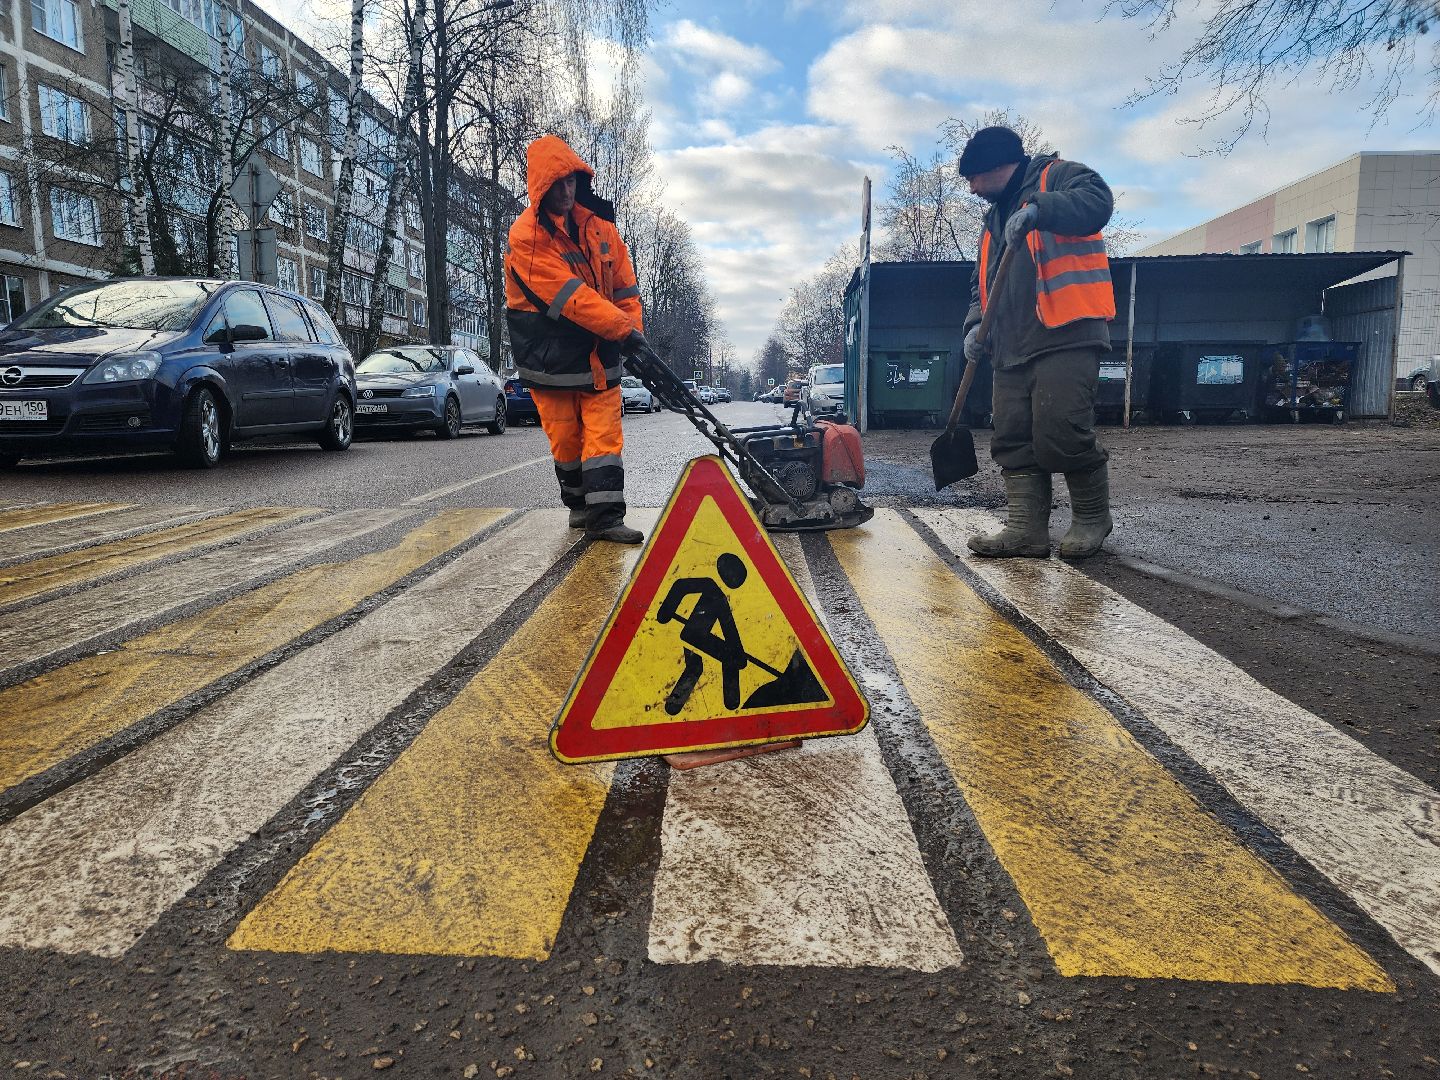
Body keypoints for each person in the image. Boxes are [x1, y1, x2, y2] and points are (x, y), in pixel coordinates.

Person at [958, 125, 1116, 560]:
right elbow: (981, 286)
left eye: (973, 177)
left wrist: (1039, 210)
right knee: (1013, 439)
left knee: (1061, 431)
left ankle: (1091, 517)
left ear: (997, 165)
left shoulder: (1057, 177)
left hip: (1065, 334)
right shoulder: (992, 223)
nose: (972, 189)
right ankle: (1025, 531)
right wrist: (975, 327)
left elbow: (1098, 201)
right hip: (1008, 348)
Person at [505, 134, 647, 544]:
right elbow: (572, 298)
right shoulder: (527, 237)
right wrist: (622, 330)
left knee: (604, 436)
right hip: (551, 357)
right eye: (558, 184)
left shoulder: (600, 228)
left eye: (571, 182)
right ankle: (579, 506)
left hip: (599, 350)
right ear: (541, 188)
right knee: (566, 440)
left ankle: (606, 517)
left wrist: (633, 330)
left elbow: (625, 290)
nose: (566, 192)